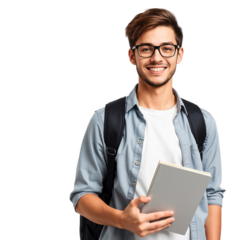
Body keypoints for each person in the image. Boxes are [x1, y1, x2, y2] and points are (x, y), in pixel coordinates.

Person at [69, 6, 226, 240]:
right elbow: (82, 197)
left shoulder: (203, 120)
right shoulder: (105, 119)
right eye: (146, 49)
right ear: (131, 56)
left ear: (180, 55)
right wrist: (122, 219)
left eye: (166, 48)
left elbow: (212, 195)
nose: (156, 58)